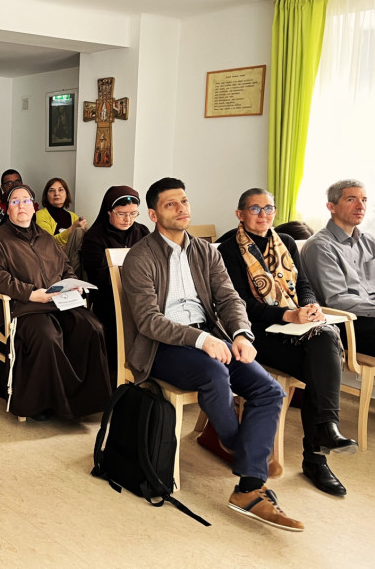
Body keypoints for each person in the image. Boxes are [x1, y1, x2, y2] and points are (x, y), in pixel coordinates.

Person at [121, 177, 301, 531]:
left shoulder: (206, 251)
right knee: (215, 373)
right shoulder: (140, 257)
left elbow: (230, 299)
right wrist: (201, 340)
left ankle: (248, 487)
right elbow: (148, 321)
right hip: (162, 347)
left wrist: (241, 334)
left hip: (212, 338)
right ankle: (243, 456)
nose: (182, 209)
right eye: (171, 204)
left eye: (184, 201)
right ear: (153, 215)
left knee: (269, 390)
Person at [218, 188, 357, 497]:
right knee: (323, 364)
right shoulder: (227, 250)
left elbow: (302, 284)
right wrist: (288, 315)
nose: (264, 215)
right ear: (240, 214)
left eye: (269, 208)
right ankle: (317, 455)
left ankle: (324, 433)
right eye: (255, 209)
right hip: (254, 335)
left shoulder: (287, 243)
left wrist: (309, 306)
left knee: (325, 336)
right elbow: (240, 306)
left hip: (293, 328)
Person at [0, 185, 111, 421]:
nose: (21, 206)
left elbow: (66, 267)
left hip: (57, 302)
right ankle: (47, 404)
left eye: (25, 201)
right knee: (48, 337)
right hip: (23, 307)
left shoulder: (46, 238)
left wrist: (73, 283)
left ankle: (85, 402)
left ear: (34, 207)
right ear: (7, 210)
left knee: (93, 328)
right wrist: (31, 293)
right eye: (15, 202)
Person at [81, 185, 150, 378]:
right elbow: (98, 277)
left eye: (133, 214)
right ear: (109, 211)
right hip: (108, 297)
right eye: (122, 214)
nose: (128, 219)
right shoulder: (94, 237)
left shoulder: (142, 232)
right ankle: (116, 374)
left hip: (141, 294)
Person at [301, 179, 375, 353]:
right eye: (351, 199)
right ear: (331, 207)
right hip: (349, 324)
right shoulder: (320, 246)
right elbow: (337, 301)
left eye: (364, 200)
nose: (360, 206)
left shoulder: (369, 241)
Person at [35, 177, 86, 247]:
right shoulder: (40, 215)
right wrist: (72, 228)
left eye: (60, 190)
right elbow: (49, 243)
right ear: (46, 195)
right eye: (52, 191)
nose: (56, 194)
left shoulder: (73, 216)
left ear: (66, 194)